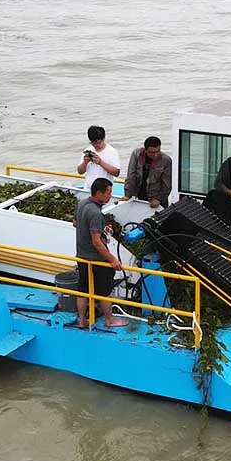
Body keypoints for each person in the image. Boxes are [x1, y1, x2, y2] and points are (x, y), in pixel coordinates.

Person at [73, 177, 128, 329]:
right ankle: (110, 320)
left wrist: (101, 229)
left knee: (83, 289)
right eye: (108, 193)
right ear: (99, 193)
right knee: (104, 291)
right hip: (97, 259)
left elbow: (75, 223)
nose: (110, 196)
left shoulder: (82, 204)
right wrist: (113, 260)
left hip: (82, 256)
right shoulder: (96, 213)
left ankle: (82, 320)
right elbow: (96, 242)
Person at [123, 135, 172, 209]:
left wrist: (159, 199)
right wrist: (127, 195)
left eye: (158, 151)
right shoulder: (136, 154)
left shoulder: (166, 160)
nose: (156, 155)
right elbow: (131, 175)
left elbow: (167, 184)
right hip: (139, 195)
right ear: (145, 150)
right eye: (152, 152)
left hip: (156, 199)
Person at [77, 125, 121, 192]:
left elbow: (116, 173)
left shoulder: (112, 152)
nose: (96, 145)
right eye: (93, 143)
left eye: (98, 143)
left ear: (103, 139)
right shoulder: (88, 150)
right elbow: (80, 171)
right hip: (88, 189)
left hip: (104, 192)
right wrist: (85, 162)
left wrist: (101, 162)